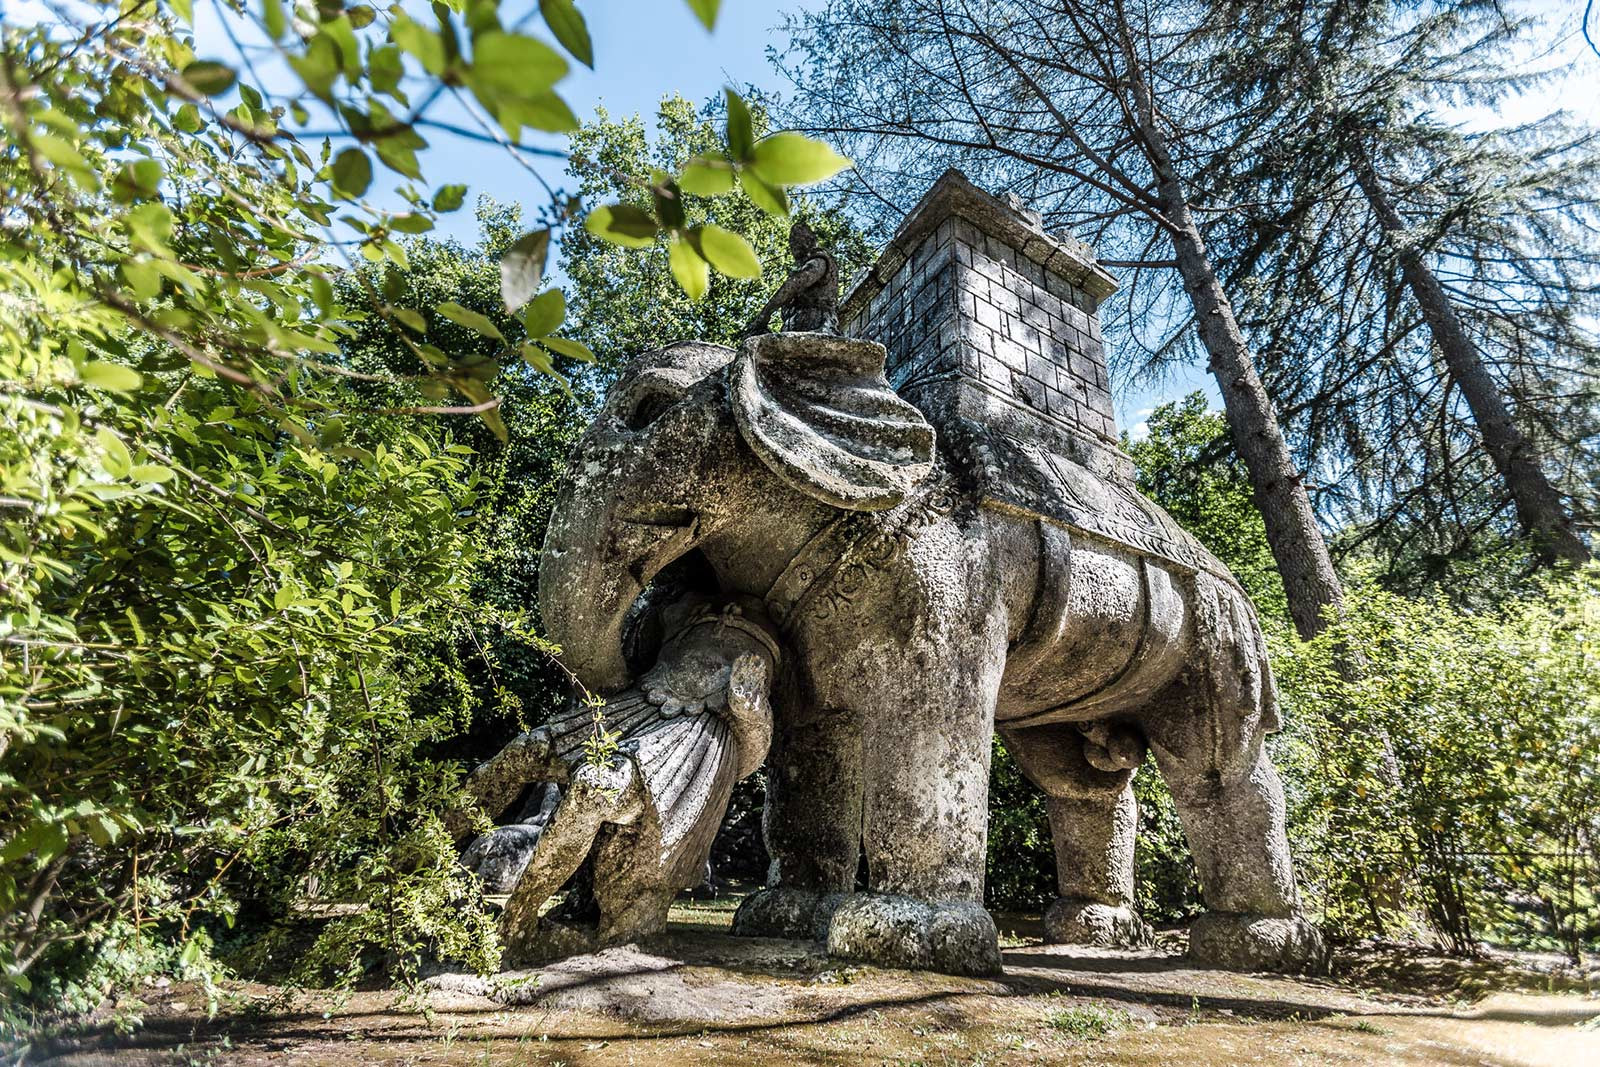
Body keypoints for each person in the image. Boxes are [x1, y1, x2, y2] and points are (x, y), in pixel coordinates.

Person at [454, 594, 782, 963]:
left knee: (593, 789)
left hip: (692, 736)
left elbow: (756, 748)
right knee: (521, 752)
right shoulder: (679, 607)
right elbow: (619, 654)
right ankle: (419, 866)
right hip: (635, 704)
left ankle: (516, 921)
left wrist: (749, 710)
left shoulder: (768, 646)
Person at [741, 220, 839, 337]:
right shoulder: (803, 265)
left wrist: (766, 312)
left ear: (810, 239)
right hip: (795, 326)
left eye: (798, 238)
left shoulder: (820, 260)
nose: (794, 244)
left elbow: (796, 283)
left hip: (816, 324)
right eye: (792, 241)